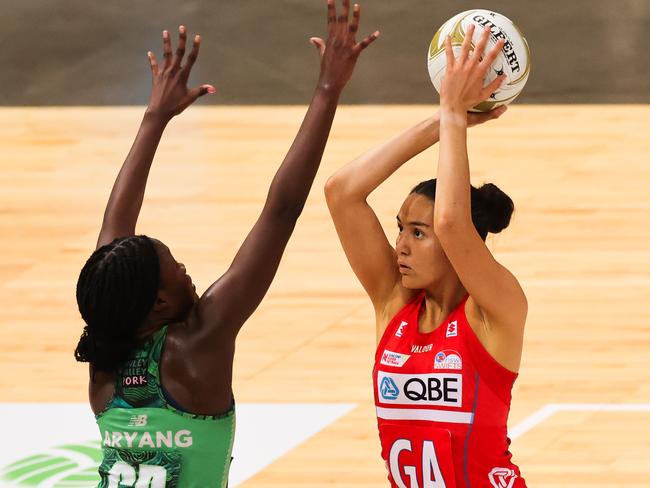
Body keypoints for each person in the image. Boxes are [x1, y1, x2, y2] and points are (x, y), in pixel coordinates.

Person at [74, 2, 378, 486]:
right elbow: (281, 212)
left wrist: (155, 118)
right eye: (172, 263)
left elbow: (113, 243)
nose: (184, 267)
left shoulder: (103, 364)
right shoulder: (197, 345)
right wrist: (326, 89)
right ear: (158, 301)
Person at [325, 26, 527, 487]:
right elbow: (342, 193)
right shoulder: (393, 304)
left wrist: (456, 113)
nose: (400, 245)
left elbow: (453, 223)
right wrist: (444, 120)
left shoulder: (496, 310)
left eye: (418, 232)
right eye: (401, 229)